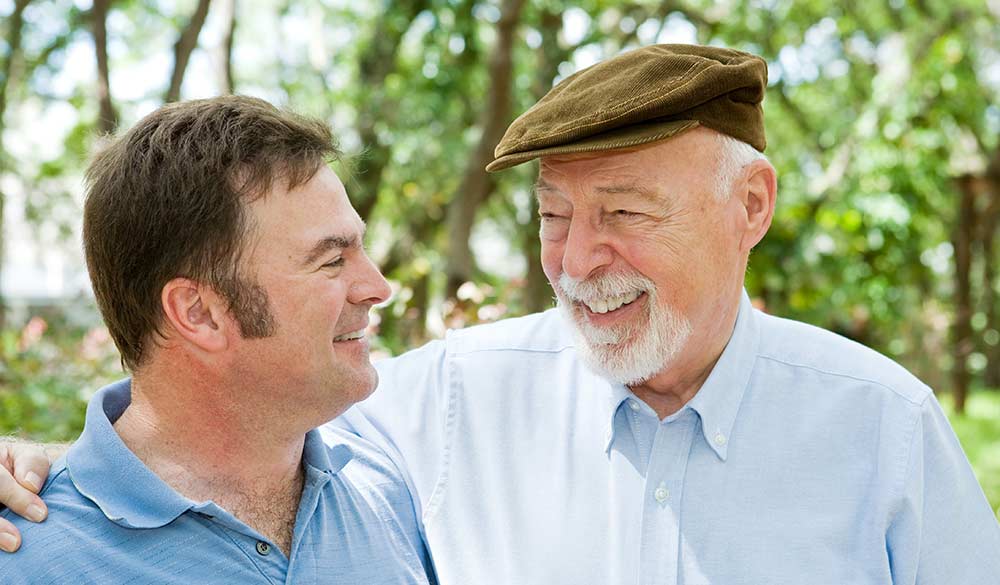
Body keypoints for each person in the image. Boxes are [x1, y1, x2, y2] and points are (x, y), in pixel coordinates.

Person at [3, 44, 999, 584]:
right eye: (555, 217)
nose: (576, 260)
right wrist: (41, 461)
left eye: (623, 215)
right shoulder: (429, 406)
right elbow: (204, 422)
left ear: (750, 206)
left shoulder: (882, 426)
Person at [0, 96, 434, 583]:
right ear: (199, 313)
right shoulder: (25, 556)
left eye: (361, 248)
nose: (377, 288)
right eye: (332, 261)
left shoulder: (380, 488)